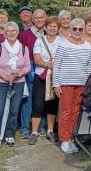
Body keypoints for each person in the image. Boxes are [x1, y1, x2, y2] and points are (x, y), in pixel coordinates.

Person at [0, 22, 31, 147]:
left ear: (17, 33)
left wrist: (21, 72)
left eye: (14, 31)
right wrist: (4, 75)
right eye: (8, 31)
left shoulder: (23, 48)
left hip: (18, 82)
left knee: (14, 110)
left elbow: (27, 66)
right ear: (4, 34)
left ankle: (9, 134)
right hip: (1, 83)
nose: (11, 33)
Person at [53, 18, 91, 154]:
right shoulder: (63, 44)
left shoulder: (87, 45)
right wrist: (56, 84)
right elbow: (57, 65)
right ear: (70, 29)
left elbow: (88, 66)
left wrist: (88, 84)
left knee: (76, 112)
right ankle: (63, 139)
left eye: (80, 29)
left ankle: (71, 138)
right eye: (74, 28)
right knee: (65, 111)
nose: (77, 31)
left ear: (83, 30)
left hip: (81, 83)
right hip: (66, 83)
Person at [29, 16, 61, 145]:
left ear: (58, 28)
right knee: (37, 104)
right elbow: (37, 60)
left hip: (56, 77)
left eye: (55, 26)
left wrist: (55, 66)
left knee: (52, 105)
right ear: (46, 27)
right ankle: (34, 132)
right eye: (50, 26)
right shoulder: (39, 41)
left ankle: (50, 130)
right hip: (41, 76)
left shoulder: (62, 41)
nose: (52, 28)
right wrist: (48, 65)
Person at [18, 9, 47, 138]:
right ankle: (25, 127)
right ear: (32, 19)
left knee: (44, 98)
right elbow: (20, 53)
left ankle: (42, 125)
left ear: (45, 18)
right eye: (36, 18)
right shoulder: (25, 34)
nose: (39, 20)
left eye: (41, 17)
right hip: (30, 67)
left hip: (46, 68)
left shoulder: (50, 32)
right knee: (28, 99)